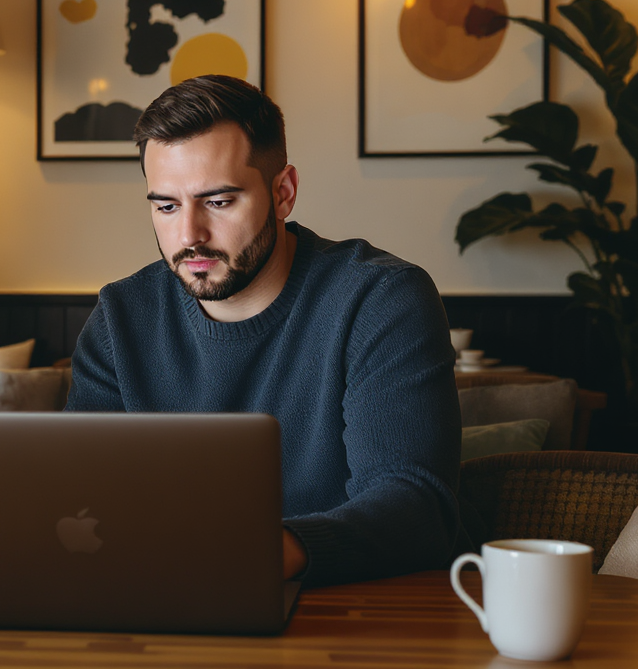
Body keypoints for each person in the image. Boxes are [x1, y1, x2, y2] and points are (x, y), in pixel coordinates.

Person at [66, 75, 463, 588]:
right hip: (165, 610)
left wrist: (268, 552)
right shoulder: (122, 316)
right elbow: (80, 502)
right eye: (166, 206)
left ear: (283, 192)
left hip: (356, 617)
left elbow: (417, 508)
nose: (189, 236)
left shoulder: (381, 300)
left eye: (219, 201)